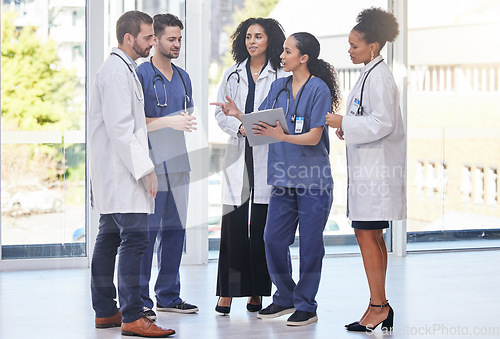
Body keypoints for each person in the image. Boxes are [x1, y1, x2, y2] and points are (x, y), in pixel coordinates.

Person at [215, 32, 341, 326]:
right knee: (272, 240)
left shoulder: (318, 89)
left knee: (310, 245)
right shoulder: (278, 86)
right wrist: (238, 114)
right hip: (282, 180)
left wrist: (282, 136)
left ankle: (306, 305)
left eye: (287, 52)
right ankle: (285, 296)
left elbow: (313, 137)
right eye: (283, 52)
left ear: (304, 58)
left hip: (312, 181)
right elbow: (261, 124)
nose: (281, 56)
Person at [89, 10, 174, 338]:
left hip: (115, 172)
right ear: (129, 38)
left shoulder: (122, 69)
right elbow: (122, 128)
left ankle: (106, 312)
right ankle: (134, 317)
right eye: (148, 36)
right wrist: (145, 170)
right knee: (135, 238)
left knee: (109, 237)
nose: (153, 41)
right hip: (121, 171)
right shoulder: (116, 72)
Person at [325, 7, 406, 333]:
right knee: (371, 235)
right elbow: (369, 118)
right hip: (370, 170)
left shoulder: (380, 77)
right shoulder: (369, 73)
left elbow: (382, 122)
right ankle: (380, 305)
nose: (349, 50)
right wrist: (351, 125)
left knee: (366, 234)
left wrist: (344, 122)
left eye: (354, 46)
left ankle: (377, 306)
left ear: (372, 47)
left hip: (376, 174)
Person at [210, 17, 287, 315]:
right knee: (233, 225)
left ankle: (257, 291)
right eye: (248, 36)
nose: (252, 41)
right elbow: (221, 114)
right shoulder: (233, 74)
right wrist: (240, 128)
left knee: (264, 227)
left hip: (268, 155)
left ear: (270, 40)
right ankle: (227, 292)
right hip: (240, 152)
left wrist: (250, 124)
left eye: (259, 36)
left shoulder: (280, 74)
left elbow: (281, 115)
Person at [136, 13, 198, 320]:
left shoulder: (184, 77)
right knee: (147, 235)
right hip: (151, 166)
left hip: (179, 165)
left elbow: (184, 116)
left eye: (180, 39)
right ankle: (140, 300)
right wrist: (168, 121)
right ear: (155, 39)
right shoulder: (141, 74)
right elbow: (134, 124)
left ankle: (169, 296)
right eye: (171, 39)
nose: (177, 45)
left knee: (176, 232)